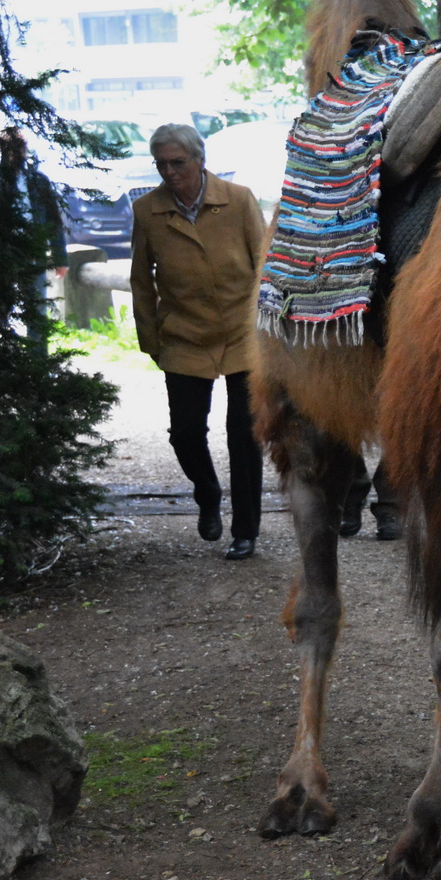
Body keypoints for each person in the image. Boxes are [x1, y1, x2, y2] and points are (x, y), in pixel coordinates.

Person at [130, 123, 268, 561]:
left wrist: (269, 329)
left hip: (241, 332)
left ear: (199, 159)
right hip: (185, 335)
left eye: (178, 162)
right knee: (186, 433)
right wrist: (151, 338)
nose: (170, 172)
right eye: (162, 165)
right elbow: (140, 281)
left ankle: (246, 530)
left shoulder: (239, 199)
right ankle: (207, 493)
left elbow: (265, 268)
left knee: (245, 432)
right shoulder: (147, 210)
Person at [0, 126, 67, 340]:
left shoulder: (38, 181)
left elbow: (52, 220)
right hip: (1, 256)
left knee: (36, 311)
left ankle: (38, 365)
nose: (16, 153)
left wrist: (60, 257)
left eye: (20, 148)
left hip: (32, 254)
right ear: (1, 150)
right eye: (10, 148)